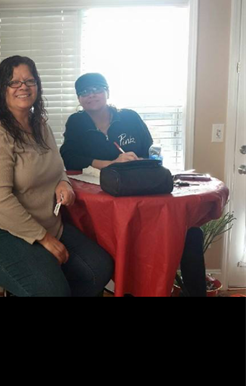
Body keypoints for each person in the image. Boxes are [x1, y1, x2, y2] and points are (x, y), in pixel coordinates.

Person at [0, 56, 114, 297]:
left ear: (38, 86)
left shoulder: (39, 124)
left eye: (29, 80)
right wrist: (43, 238)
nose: (23, 87)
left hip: (42, 220)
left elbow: (58, 164)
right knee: (51, 290)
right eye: (14, 82)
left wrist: (63, 182)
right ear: (2, 89)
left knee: (98, 268)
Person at [60, 72, 207, 297]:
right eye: (84, 93)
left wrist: (140, 161)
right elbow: (68, 156)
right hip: (104, 201)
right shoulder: (77, 122)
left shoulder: (129, 117)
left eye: (97, 89)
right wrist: (109, 163)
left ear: (107, 92)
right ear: (79, 99)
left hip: (142, 194)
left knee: (191, 234)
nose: (91, 96)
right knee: (107, 245)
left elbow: (150, 150)